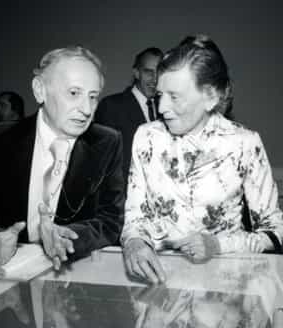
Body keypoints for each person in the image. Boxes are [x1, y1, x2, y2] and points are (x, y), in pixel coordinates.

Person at [121, 35, 283, 284]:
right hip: (158, 288)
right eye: (160, 94)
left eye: (174, 96)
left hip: (226, 292)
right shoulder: (146, 137)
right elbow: (135, 216)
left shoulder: (244, 143)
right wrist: (134, 242)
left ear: (210, 97)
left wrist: (218, 245)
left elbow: (276, 232)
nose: (162, 107)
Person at [0, 46, 125, 274]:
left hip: (74, 274)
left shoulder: (107, 142)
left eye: (93, 97)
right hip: (8, 273)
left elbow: (111, 219)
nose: (87, 109)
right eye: (74, 93)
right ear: (40, 90)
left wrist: (70, 238)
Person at [94, 47, 163, 187]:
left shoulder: (167, 110)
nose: (155, 79)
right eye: (148, 72)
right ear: (136, 73)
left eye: (159, 72)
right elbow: (102, 165)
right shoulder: (111, 106)